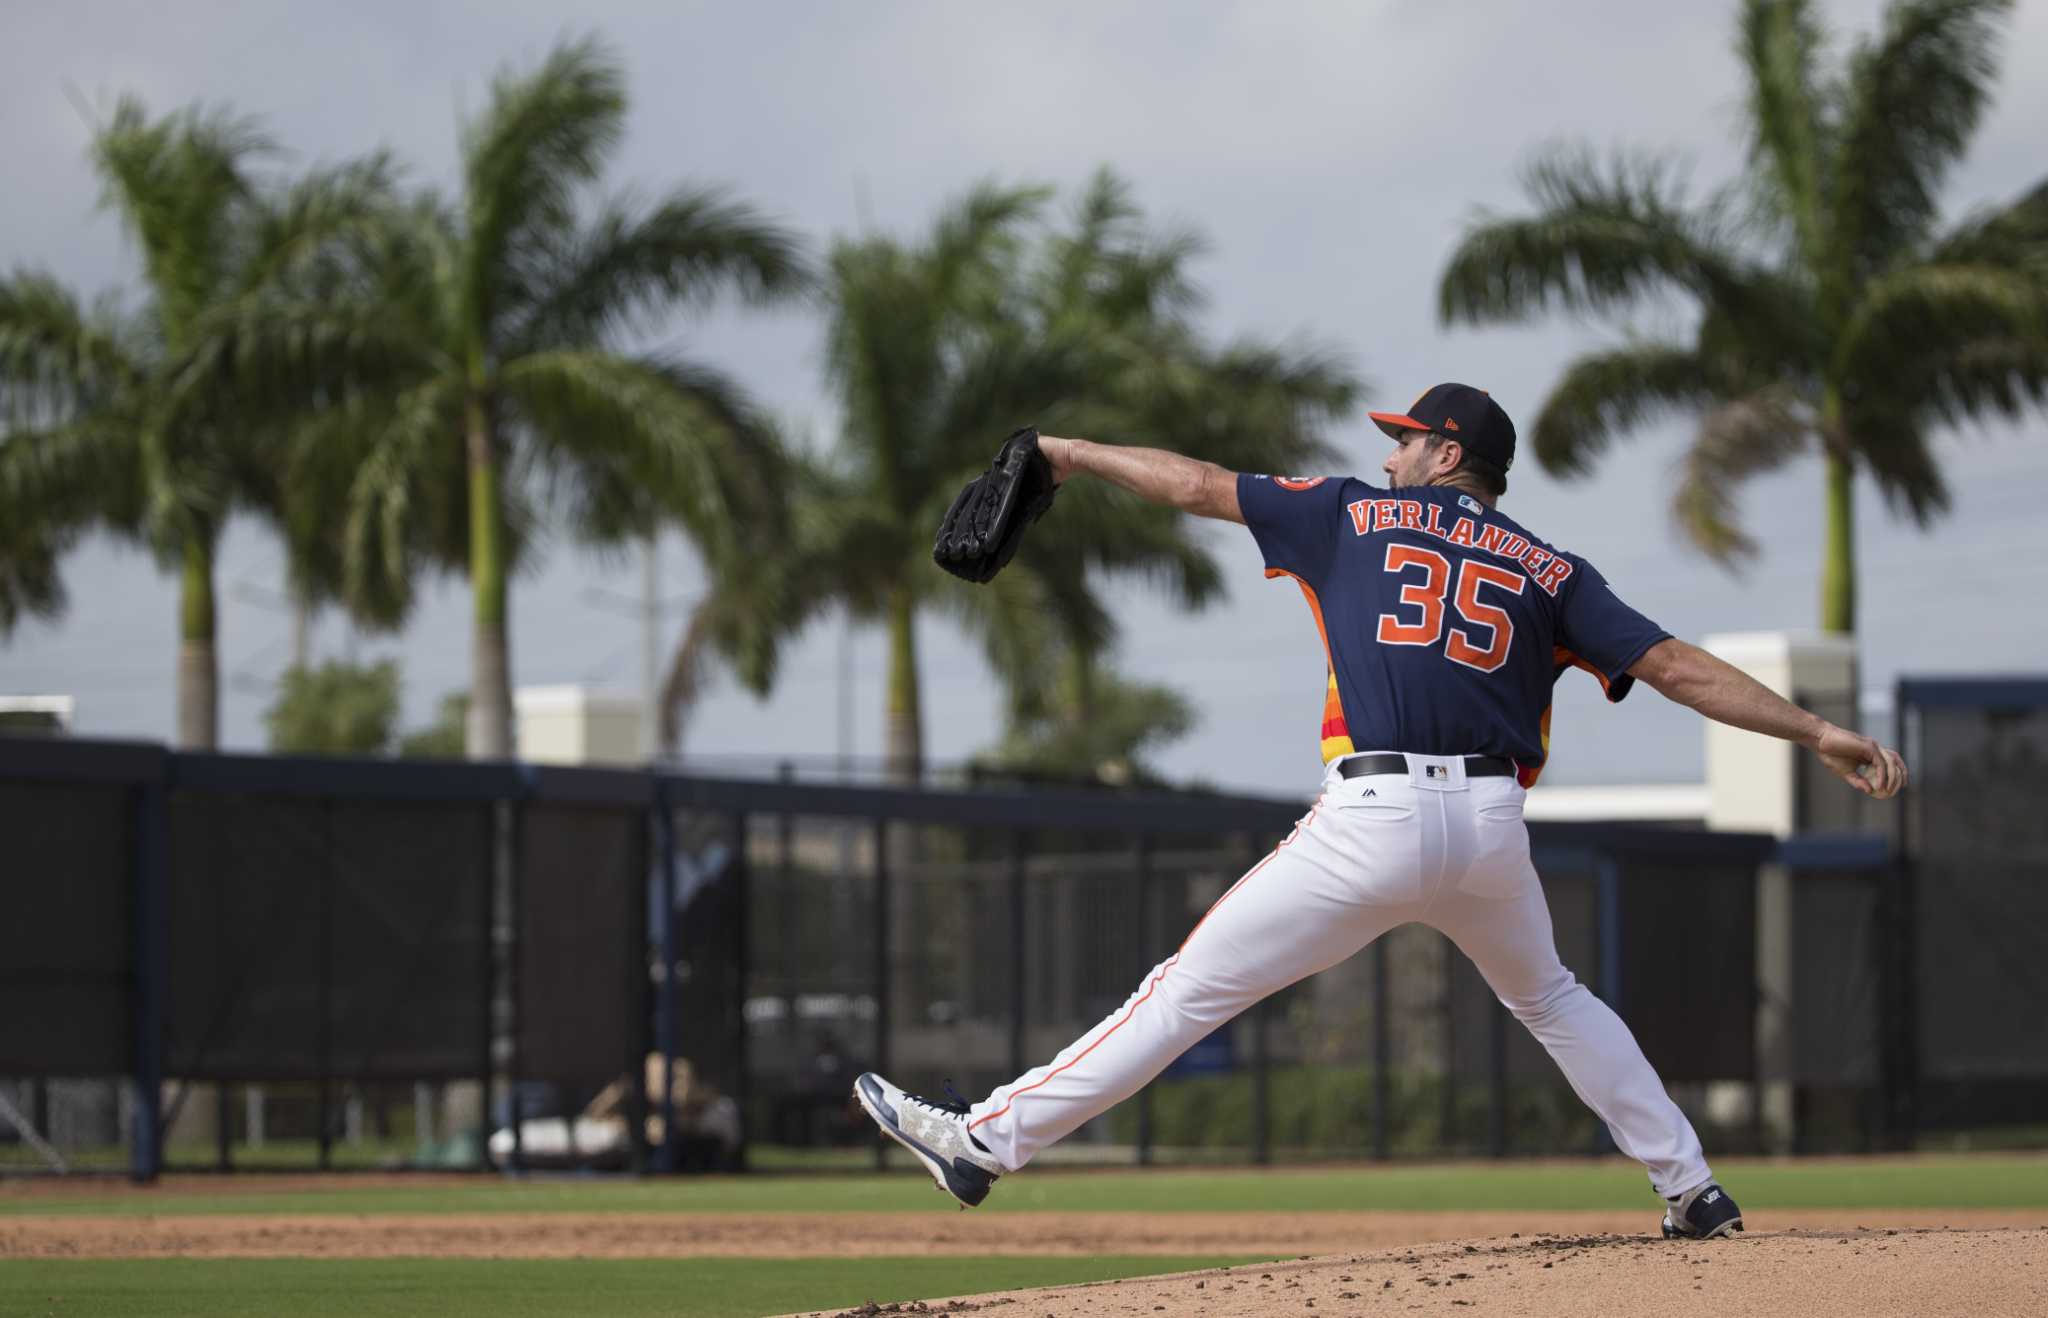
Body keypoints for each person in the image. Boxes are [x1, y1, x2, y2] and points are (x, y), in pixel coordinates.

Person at [853, 384, 1906, 1238]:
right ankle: (1691, 1188)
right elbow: (1673, 667)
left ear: (1448, 456)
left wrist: (1070, 453)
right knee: (1550, 999)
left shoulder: (1351, 510)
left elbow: (1197, 484)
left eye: (1409, 440)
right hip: (1490, 829)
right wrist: (1816, 733)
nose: (1392, 453)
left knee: (1182, 994)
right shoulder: (1550, 569)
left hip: (1373, 815)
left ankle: (983, 1141)